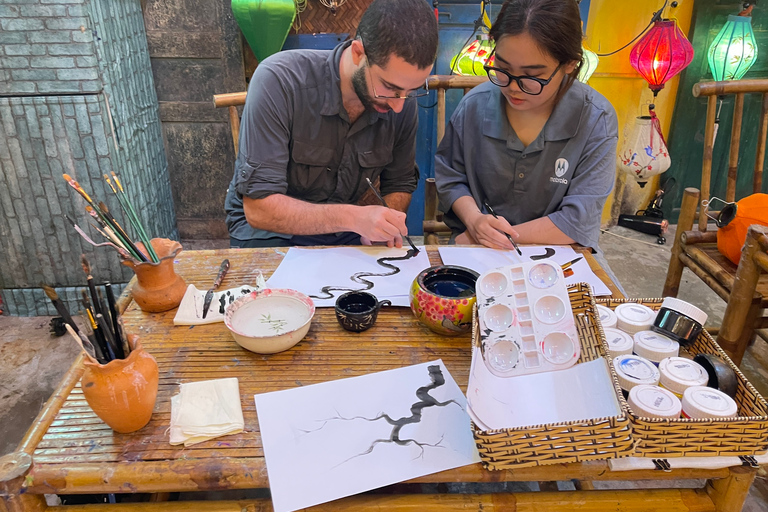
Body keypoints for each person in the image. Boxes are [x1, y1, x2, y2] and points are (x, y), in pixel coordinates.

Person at [225, 0, 439, 248]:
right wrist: (354, 218)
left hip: (343, 233)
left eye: (411, 91)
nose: (399, 105)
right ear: (358, 53)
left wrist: (385, 224)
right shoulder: (280, 81)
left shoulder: (401, 102)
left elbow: (399, 183)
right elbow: (259, 210)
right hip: (267, 234)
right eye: (389, 87)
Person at [435, 0, 618, 255]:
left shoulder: (595, 118)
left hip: (560, 252)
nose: (512, 87)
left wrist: (496, 237)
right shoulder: (473, 107)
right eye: (503, 68)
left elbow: (579, 218)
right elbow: (451, 178)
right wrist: (475, 221)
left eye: (532, 76)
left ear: (570, 64)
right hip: (476, 246)